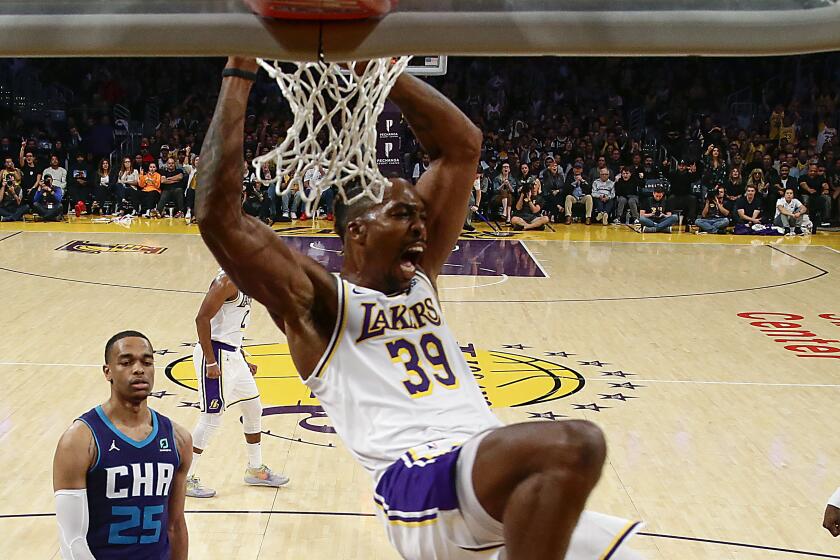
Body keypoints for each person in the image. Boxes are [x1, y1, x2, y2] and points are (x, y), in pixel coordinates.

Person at [196, 56, 642, 560]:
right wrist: (239, 73)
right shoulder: (322, 304)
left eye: (421, 216)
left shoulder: (420, 280)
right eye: (404, 214)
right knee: (576, 446)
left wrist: (381, 72)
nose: (422, 226)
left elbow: (462, 147)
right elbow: (219, 217)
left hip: (482, 478)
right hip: (420, 483)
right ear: (357, 231)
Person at [52, 331, 190, 560]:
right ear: (108, 372)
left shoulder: (178, 439)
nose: (139, 369)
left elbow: (175, 525)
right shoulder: (80, 440)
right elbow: (71, 539)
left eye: (147, 362)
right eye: (126, 362)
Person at [185, 270, 289, 498]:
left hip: (233, 354)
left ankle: (255, 469)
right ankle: (185, 478)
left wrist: (243, 356)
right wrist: (211, 361)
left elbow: (230, 327)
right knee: (211, 419)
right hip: (216, 355)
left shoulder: (246, 279)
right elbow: (201, 319)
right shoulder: (226, 281)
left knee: (253, 408)